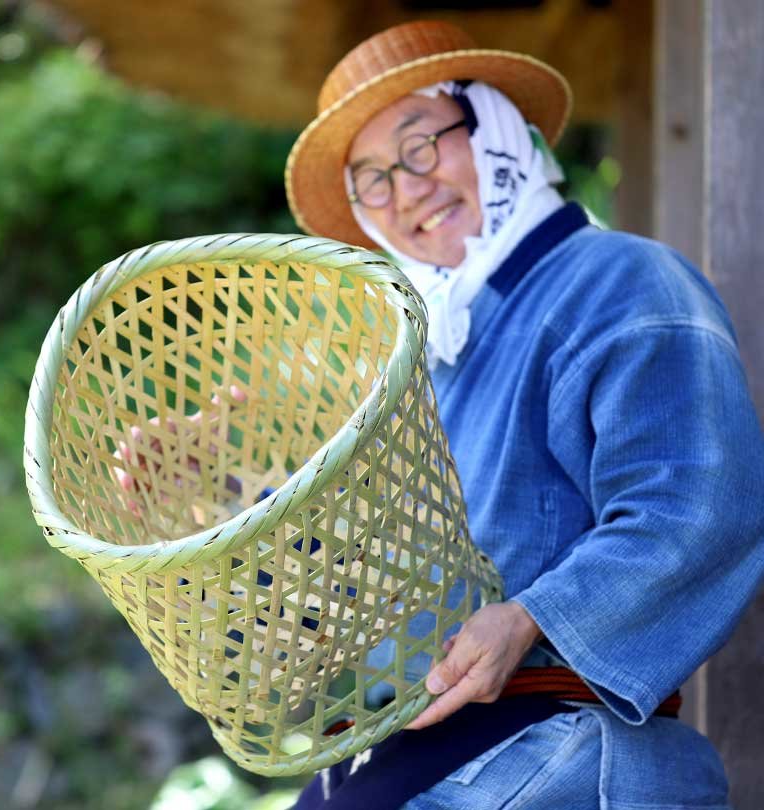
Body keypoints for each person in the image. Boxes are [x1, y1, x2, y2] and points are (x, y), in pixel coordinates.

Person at [280, 20, 764, 810]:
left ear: (497, 125)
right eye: (372, 179)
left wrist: (532, 618)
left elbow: (698, 504)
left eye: (420, 146)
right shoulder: (428, 356)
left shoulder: (628, 282)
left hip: (553, 749)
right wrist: (210, 492)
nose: (405, 192)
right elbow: (353, 553)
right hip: (424, 754)